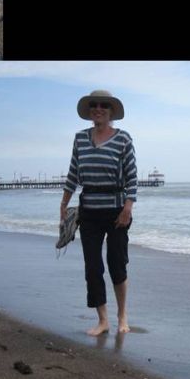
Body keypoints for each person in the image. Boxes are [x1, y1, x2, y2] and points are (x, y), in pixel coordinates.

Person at [61, 89, 138, 336]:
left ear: (111, 111)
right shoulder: (80, 139)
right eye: (94, 105)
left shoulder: (123, 139)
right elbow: (73, 173)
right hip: (89, 212)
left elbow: (132, 177)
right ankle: (103, 320)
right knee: (92, 268)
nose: (98, 108)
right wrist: (64, 204)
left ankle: (122, 315)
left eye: (103, 105)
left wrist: (128, 206)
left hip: (117, 212)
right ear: (89, 111)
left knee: (117, 265)